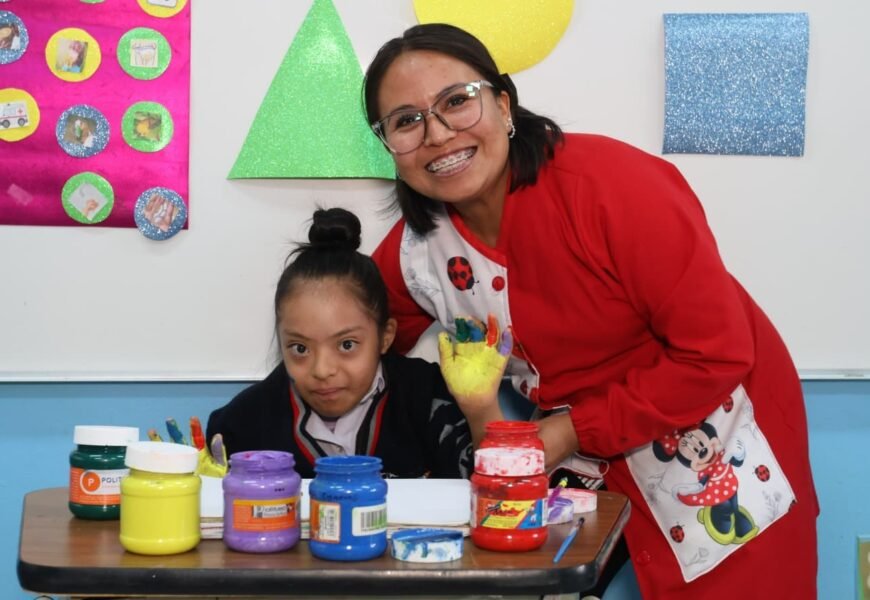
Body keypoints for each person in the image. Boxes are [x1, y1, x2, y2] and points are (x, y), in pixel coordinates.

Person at [363, 23, 818, 599]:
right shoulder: (418, 248)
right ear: (389, 146)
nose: (437, 133)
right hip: (575, 461)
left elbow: (717, 350)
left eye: (457, 101)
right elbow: (353, 337)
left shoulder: (611, 187)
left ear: (504, 104)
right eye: (406, 121)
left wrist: (573, 429)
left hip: (717, 432)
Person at [207, 207, 509, 479]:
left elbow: (495, 495)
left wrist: (481, 408)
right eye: (300, 348)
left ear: (385, 336)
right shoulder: (246, 421)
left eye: (347, 345)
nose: (322, 370)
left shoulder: (429, 397)